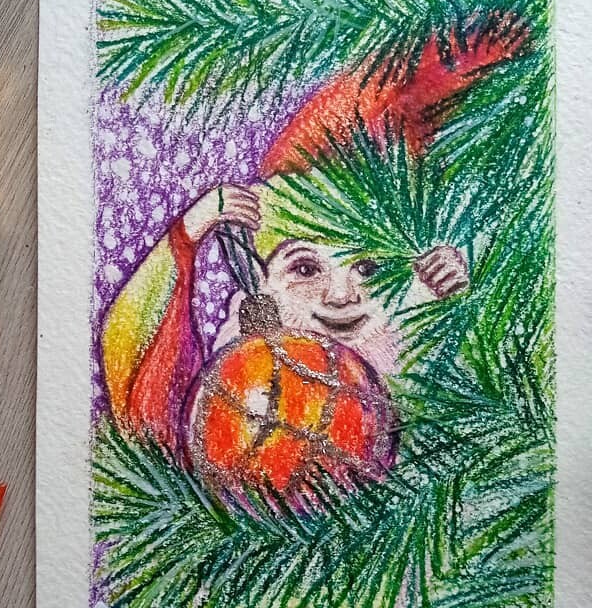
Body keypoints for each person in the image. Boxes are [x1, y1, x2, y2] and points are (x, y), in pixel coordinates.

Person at [101, 180, 469, 463]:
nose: (341, 296)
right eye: (305, 269)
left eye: (368, 269)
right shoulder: (237, 378)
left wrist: (448, 300)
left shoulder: (411, 351)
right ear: (263, 287)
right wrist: (187, 235)